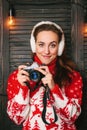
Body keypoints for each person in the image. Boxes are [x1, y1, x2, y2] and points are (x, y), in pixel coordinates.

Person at [7, 21, 83, 130]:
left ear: (60, 48)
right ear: (34, 46)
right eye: (41, 44)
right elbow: (17, 118)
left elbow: (72, 117)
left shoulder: (72, 76)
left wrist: (54, 88)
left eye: (52, 45)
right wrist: (23, 89)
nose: (46, 51)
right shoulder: (19, 76)